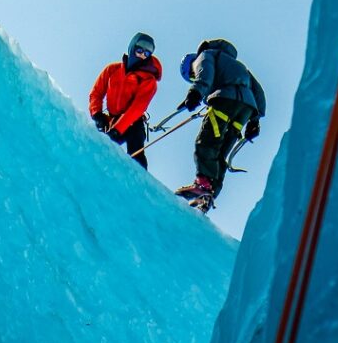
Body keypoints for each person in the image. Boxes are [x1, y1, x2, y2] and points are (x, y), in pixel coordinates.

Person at [174, 38, 266, 212]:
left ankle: (202, 185)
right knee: (221, 151)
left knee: (206, 142)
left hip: (225, 100)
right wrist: (255, 120)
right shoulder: (237, 65)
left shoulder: (205, 55)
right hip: (245, 109)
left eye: (191, 76)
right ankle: (209, 194)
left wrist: (195, 91)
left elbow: (204, 75)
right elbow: (258, 91)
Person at [88, 32, 163, 169]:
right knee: (98, 146)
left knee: (136, 150)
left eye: (147, 53)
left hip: (133, 122)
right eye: (139, 50)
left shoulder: (148, 80)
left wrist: (118, 129)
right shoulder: (112, 70)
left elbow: (137, 108)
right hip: (111, 120)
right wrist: (97, 114)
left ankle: (140, 183)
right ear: (132, 47)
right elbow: (96, 93)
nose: (142, 55)